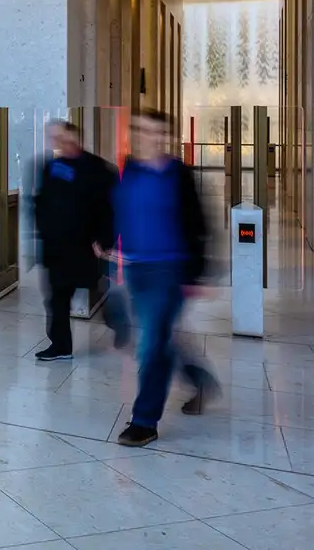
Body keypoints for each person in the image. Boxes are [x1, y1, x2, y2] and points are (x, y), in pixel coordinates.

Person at [114, 109, 218, 447]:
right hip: (136, 269)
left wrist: (198, 273)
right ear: (134, 134)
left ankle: (145, 421)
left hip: (170, 269)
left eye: (159, 132)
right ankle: (199, 379)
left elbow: (200, 223)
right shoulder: (127, 172)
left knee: (151, 345)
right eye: (144, 130)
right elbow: (117, 214)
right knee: (161, 339)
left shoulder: (179, 175)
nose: (152, 137)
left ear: (166, 137)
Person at [32, 120, 126, 361]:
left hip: (87, 248)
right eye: (57, 139)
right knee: (56, 299)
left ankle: (116, 318)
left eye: (65, 139)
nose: (61, 144)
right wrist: (43, 232)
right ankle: (61, 346)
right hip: (57, 249)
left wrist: (104, 241)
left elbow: (111, 210)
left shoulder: (100, 170)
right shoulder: (50, 167)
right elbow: (41, 203)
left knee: (97, 288)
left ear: (77, 139)